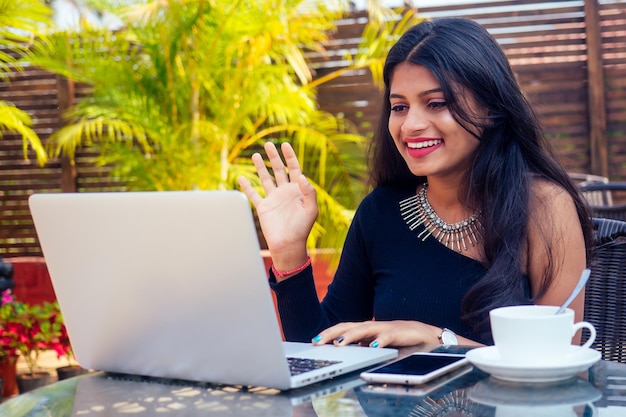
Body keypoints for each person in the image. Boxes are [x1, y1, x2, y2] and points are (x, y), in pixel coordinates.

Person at [237, 17, 593, 347]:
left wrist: (440, 342)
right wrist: (287, 254)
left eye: (436, 103)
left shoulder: (543, 208)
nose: (410, 126)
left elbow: (558, 362)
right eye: (400, 107)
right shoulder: (380, 212)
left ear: (490, 108)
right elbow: (319, 348)